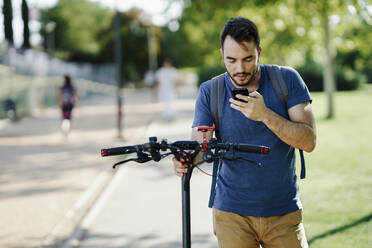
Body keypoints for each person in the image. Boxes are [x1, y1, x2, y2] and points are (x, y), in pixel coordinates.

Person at [172, 17, 316, 248]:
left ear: (259, 51)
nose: (239, 69)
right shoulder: (211, 91)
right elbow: (200, 145)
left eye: (248, 59)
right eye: (231, 60)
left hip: (283, 212)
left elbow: (308, 142)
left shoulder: (286, 79)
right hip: (232, 214)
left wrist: (265, 115)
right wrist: (185, 160)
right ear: (222, 55)